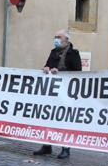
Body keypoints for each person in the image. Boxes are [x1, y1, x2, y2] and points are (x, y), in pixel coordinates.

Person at [33, 29, 83, 159]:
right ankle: (46, 146)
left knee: (64, 121)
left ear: (66, 39)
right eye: (55, 37)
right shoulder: (53, 52)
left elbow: (77, 72)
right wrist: (46, 68)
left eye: (58, 37)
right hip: (52, 92)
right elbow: (47, 65)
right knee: (48, 119)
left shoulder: (74, 53)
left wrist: (60, 71)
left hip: (66, 93)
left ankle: (65, 148)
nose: (56, 39)